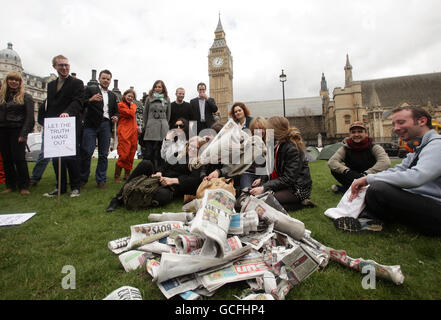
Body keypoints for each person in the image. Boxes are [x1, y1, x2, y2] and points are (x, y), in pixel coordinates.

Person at [347, 106, 441, 236]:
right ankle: (368, 218)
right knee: (373, 189)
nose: (396, 128)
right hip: (422, 202)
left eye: (401, 122)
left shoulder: (437, 145)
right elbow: (398, 170)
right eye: (394, 124)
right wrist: (367, 180)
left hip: (436, 206)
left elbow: (416, 177)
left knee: (379, 189)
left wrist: (368, 178)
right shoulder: (419, 148)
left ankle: (370, 219)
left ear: (422, 121)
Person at [106, 136, 206, 212]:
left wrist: (172, 181)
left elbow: (194, 180)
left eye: (196, 148)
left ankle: (136, 199)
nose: (192, 149)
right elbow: (163, 166)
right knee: (146, 164)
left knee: (163, 195)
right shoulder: (177, 155)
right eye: (191, 146)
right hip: (160, 178)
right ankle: (118, 198)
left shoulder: (198, 163)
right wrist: (159, 173)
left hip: (172, 186)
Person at [250, 116, 313, 211]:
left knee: (264, 201)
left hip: (297, 189)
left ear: (275, 130)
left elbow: (288, 179)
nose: (266, 131)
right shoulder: (278, 145)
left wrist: (264, 187)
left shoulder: (291, 148)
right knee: (256, 198)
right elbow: (271, 169)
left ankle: (300, 204)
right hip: (286, 186)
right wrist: (262, 182)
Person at [42, 55, 84, 198]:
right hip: (55, 124)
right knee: (56, 157)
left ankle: (75, 187)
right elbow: (50, 105)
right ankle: (60, 187)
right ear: (55, 67)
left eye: (66, 65)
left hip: (70, 123)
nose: (64, 68)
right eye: (61, 65)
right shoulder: (51, 85)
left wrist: (67, 112)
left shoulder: (77, 83)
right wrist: (45, 121)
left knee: (71, 156)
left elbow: (78, 101)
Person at [79, 70, 118, 189]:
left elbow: (115, 111)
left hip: (105, 125)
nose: (106, 81)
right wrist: (90, 100)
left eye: (108, 79)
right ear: (99, 79)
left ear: (110, 81)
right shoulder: (90, 89)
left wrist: (116, 116)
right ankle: (82, 179)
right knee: (87, 152)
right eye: (104, 78)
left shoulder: (112, 95)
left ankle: (101, 180)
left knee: (103, 154)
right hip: (91, 124)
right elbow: (80, 103)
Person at [328, 121, 390, 193]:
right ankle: (359, 188)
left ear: (366, 133)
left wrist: (366, 174)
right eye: (353, 132)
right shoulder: (345, 148)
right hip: (352, 176)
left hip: (370, 176)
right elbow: (332, 162)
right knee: (335, 170)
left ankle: (348, 189)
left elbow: (385, 163)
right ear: (350, 134)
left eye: (360, 132)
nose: (356, 134)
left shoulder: (374, 147)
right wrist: (347, 171)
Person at [0, 72, 35, 195]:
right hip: (3, 130)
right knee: (6, 159)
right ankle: (10, 184)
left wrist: (24, 134)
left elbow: (30, 118)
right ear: (7, 81)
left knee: (19, 159)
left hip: (17, 130)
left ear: (20, 82)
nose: (14, 82)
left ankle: (24, 185)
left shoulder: (26, 97)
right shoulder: (2, 96)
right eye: (11, 79)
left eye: (16, 80)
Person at [142, 80, 171, 171]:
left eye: (159, 87)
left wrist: (165, 125)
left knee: (160, 153)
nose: (157, 89)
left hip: (162, 127)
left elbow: (168, 115)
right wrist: (146, 126)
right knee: (149, 153)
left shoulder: (167, 99)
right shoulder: (149, 98)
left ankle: (159, 171)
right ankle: (147, 172)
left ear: (163, 88)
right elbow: (145, 113)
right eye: (156, 87)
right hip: (151, 127)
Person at [115, 89, 138, 182]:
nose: (130, 98)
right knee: (124, 154)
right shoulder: (120, 105)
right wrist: (133, 107)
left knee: (131, 154)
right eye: (128, 96)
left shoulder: (133, 106)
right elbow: (130, 113)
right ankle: (117, 176)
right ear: (124, 96)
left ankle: (127, 175)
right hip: (124, 132)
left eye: (132, 97)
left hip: (133, 132)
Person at [240, 117, 268, 190]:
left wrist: (261, 178)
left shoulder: (270, 143)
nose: (259, 131)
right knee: (246, 191)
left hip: (264, 175)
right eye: (256, 129)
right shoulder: (249, 142)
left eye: (261, 129)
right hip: (249, 174)